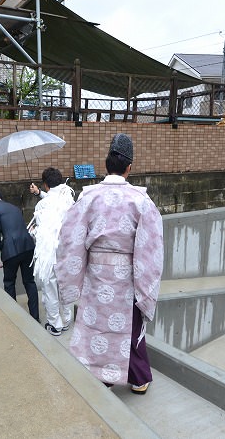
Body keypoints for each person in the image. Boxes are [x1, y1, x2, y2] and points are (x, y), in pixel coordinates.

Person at [55, 133, 164, 394]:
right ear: (129, 167)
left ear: (106, 165)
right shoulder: (141, 201)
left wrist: (74, 279)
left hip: (96, 276)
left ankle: (100, 376)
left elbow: (70, 240)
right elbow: (151, 249)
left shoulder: (88, 197)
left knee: (96, 327)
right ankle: (138, 379)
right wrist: (145, 287)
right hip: (127, 278)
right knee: (130, 329)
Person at [28, 167, 76, 336]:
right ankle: (67, 319)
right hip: (67, 251)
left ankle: (55, 324)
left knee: (50, 288)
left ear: (46, 185)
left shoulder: (43, 205)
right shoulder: (68, 198)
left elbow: (42, 232)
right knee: (64, 285)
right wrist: (39, 192)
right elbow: (55, 202)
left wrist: (33, 231)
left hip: (50, 254)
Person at [0, 186, 39, 322]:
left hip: (11, 252)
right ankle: (35, 318)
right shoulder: (14, 208)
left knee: (9, 283)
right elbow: (14, 232)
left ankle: (15, 319)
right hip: (28, 247)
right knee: (30, 282)